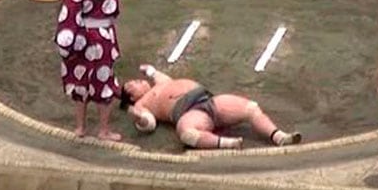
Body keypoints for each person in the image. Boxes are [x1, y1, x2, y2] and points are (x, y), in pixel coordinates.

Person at [120, 64, 302, 149]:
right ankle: (226, 143)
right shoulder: (142, 104)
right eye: (133, 84)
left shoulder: (161, 83)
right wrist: (136, 115)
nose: (138, 81)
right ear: (132, 95)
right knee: (187, 134)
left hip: (208, 99)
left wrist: (149, 70)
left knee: (251, 108)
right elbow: (148, 123)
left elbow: (157, 74)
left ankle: (279, 136)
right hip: (191, 113)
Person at [54, 0, 123, 141]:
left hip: (84, 38)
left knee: (81, 78)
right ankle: (103, 130)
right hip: (105, 37)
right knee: (104, 79)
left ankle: (80, 128)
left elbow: (70, 15)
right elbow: (112, 8)